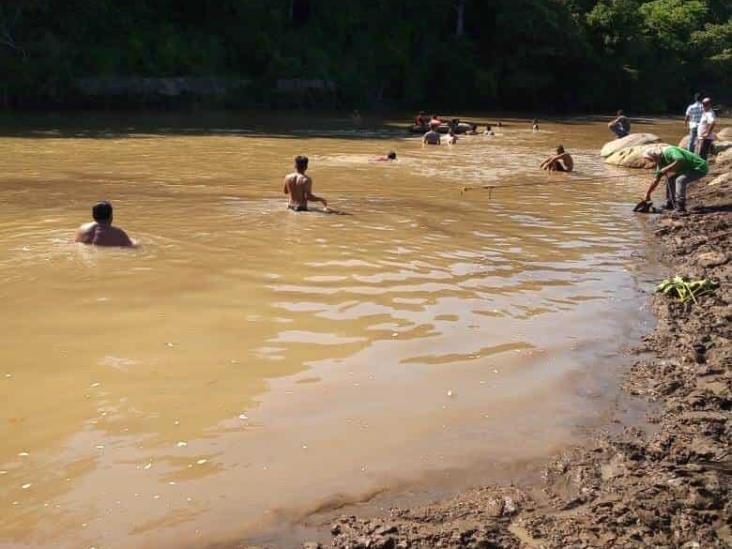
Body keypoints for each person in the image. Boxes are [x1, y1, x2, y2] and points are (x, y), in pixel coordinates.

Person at [641, 146, 708, 213]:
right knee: (671, 180)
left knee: (680, 180)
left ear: (654, 156)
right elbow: (656, 180)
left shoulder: (669, 151)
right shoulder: (660, 162)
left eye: (651, 159)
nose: (651, 162)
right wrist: (648, 194)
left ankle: (680, 207)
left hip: (699, 167)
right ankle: (670, 203)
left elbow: (680, 159)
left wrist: (667, 168)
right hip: (687, 170)